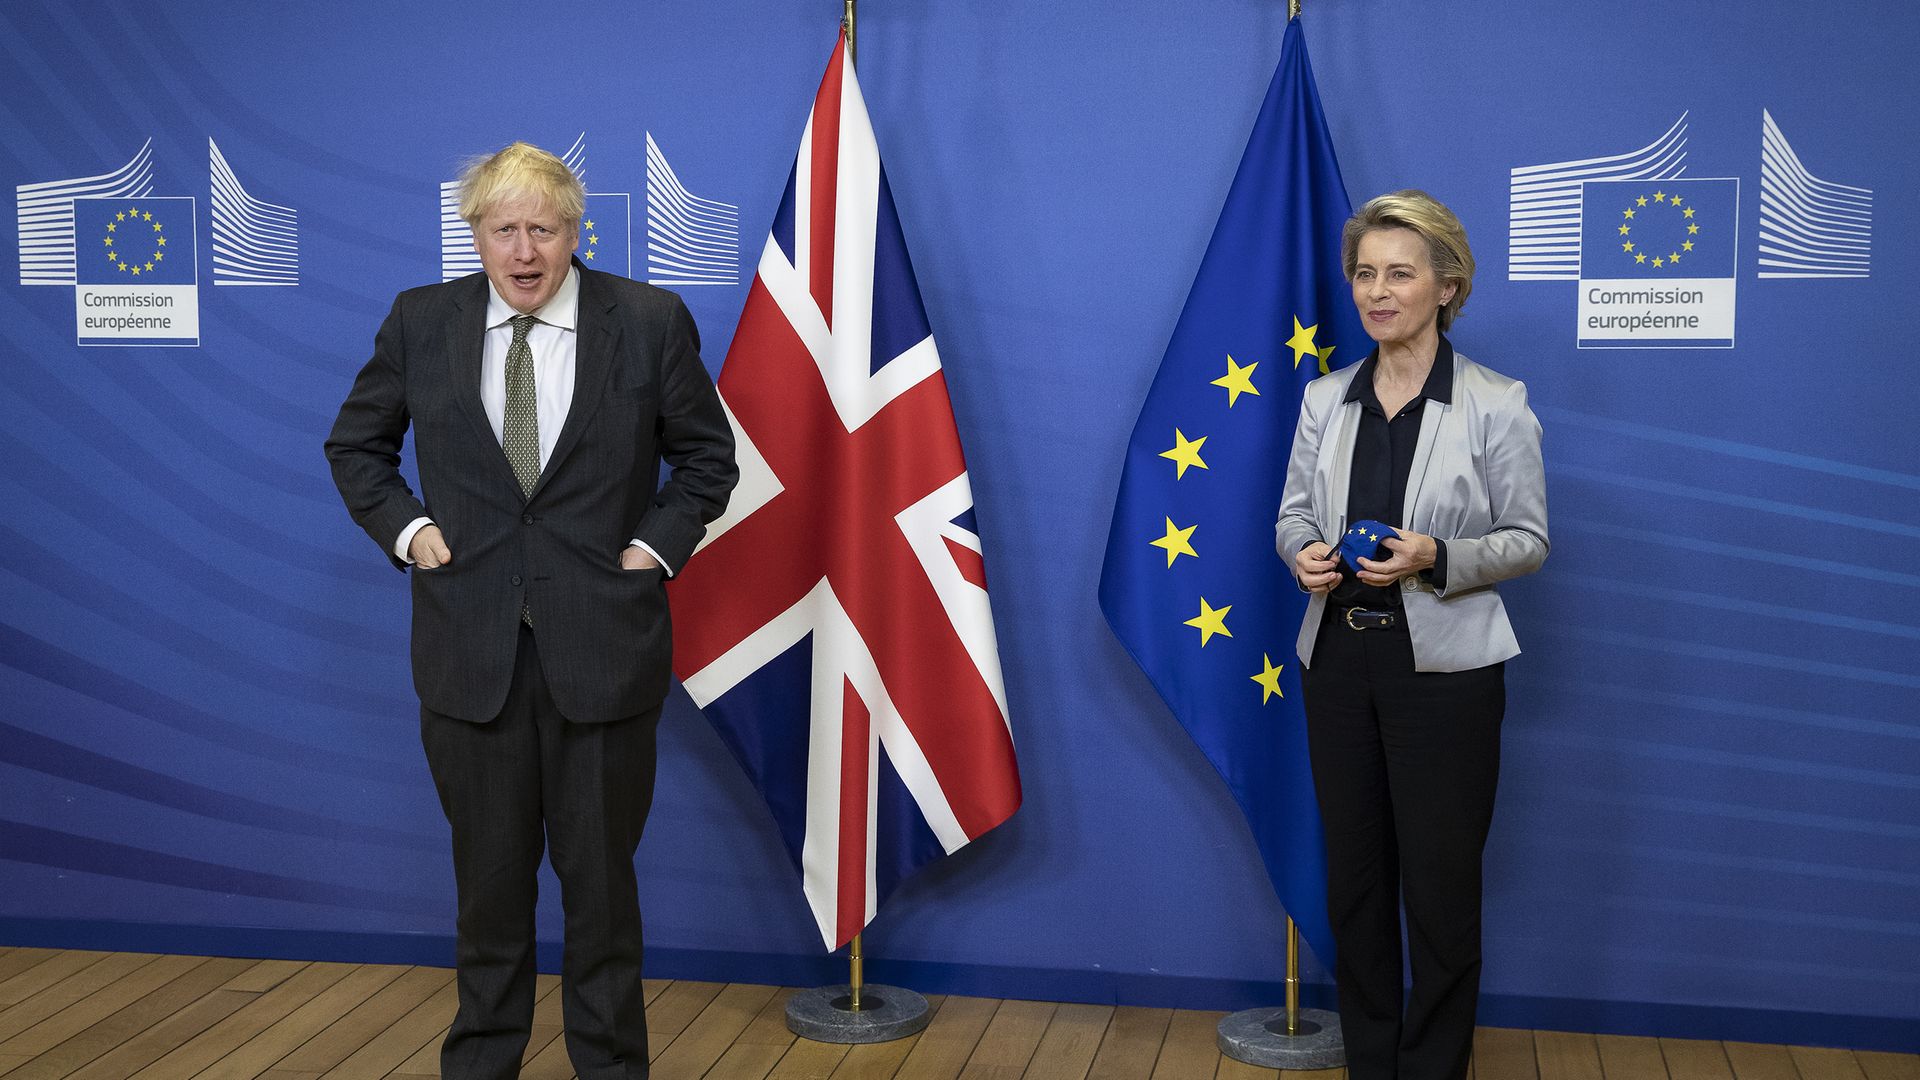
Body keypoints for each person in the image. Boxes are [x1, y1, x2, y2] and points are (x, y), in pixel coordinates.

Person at [325, 142, 736, 1080]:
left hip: (604, 651)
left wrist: (653, 549)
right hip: (470, 659)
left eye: (542, 229)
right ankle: (481, 1065)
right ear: (473, 235)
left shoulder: (649, 320)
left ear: (574, 232)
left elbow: (709, 461)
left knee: (601, 898)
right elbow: (357, 448)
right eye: (503, 229)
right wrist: (410, 531)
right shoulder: (419, 321)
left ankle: (610, 1068)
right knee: (489, 894)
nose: (523, 251)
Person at [1275, 190, 1548, 1080]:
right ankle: (1371, 1064)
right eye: (1365, 273)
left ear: (1447, 287)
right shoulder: (1325, 398)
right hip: (1338, 663)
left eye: (1400, 273)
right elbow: (1290, 516)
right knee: (1355, 888)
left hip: (1447, 676)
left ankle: (1432, 1070)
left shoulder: (1495, 403)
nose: (1377, 292)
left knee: (1439, 893)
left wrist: (1437, 555)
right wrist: (1304, 555)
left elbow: (1529, 540)